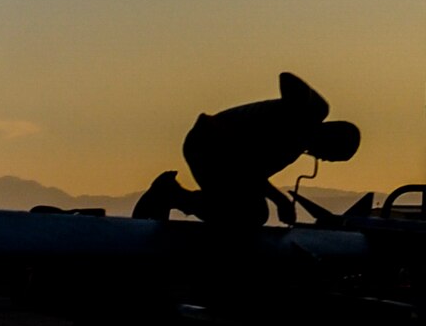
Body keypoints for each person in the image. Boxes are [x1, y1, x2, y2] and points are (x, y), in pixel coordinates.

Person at [131, 72, 359, 226]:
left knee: (249, 213)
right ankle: (171, 194)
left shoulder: (290, 150)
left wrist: (277, 200)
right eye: (330, 155)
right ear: (330, 136)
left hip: (222, 155)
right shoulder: (313, 112)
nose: (322, 158)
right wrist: (295, 108)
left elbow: (250, 176)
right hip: (210, 143)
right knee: (247, 213)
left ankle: (176, 198)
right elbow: (287, 78)